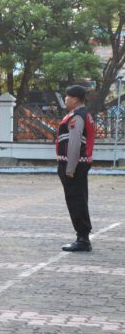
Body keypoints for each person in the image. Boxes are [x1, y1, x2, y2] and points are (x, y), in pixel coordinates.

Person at [57, 85, 95, 252]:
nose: (65, 99)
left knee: (76, 200)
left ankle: (82, 239)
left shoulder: (77, 117)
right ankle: (82, 236)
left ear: (76, 99)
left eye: (67, 96)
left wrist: (70, 168)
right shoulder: (81, 114)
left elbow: (74, 144)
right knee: (79, 198)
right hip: (80, 163)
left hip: (74, 164)